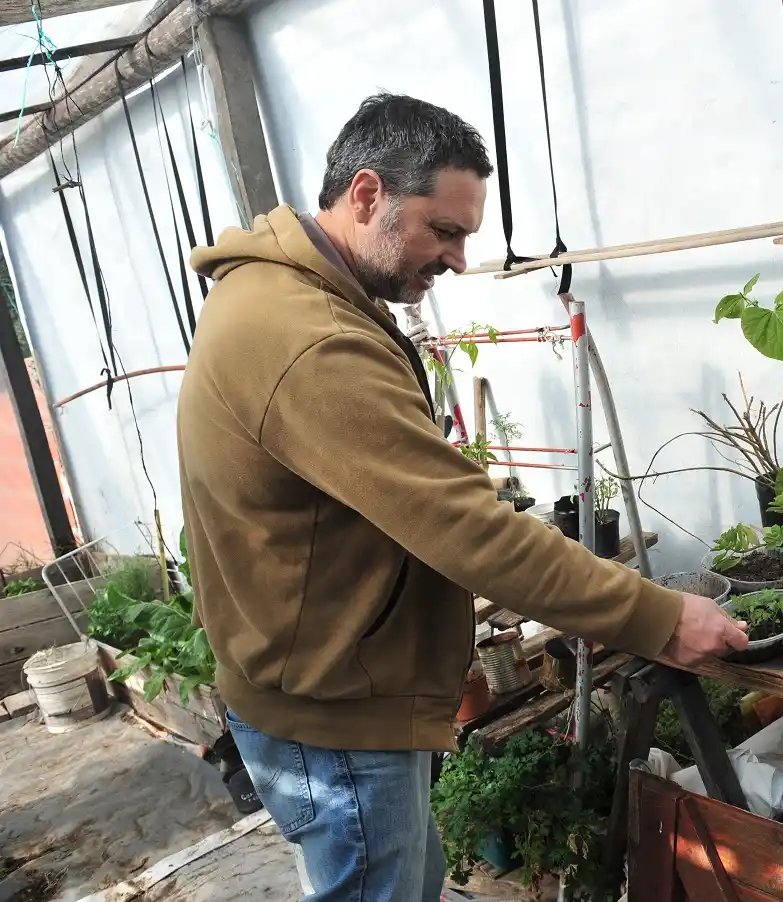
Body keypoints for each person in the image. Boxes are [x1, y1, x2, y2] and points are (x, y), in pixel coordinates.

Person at [177, 93, 748, 901]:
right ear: (367, 194)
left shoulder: (296, 300)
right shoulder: (310, 340)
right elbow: (468, 530)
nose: (457, 261)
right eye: (444, 231)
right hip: (329, 714)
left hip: (325, 685)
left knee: (412, 880)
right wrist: (658, 616)